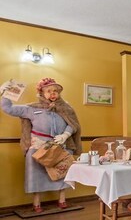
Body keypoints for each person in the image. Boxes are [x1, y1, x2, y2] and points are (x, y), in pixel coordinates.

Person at [1, 78, 81, 212]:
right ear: (42, 93)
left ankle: (62, 199)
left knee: (62, 172)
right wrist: (4, 94)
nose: (53, 93)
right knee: (36, 174)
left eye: (55, 91)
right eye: (49, 91)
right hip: (38, 146)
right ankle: (37, 203)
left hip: (61, 145)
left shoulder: (66, 108)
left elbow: (73, 125)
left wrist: (65, 135)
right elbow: (8, 109)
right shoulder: (31, 108)